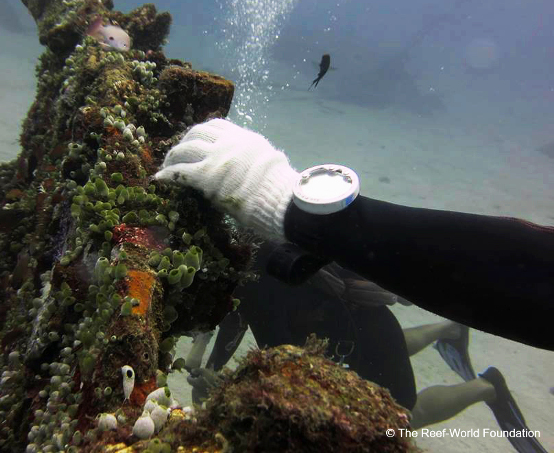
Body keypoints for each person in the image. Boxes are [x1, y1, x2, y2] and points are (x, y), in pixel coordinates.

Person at [156, 118, 554, 351]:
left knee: (401, 405)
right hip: (348, 289)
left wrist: (302, 216)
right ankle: (449, 331)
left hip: (348, 295)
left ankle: (463, 354)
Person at [184, 242, 548, 453]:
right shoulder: (250, 261)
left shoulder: (254, 281)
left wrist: (220, 386)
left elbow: (284, 368)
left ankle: (488, 386)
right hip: (349, 332)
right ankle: (448, 329)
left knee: (398, 419)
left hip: (360, 329)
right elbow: (233, 316)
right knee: (374, 356)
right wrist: (206, 361)